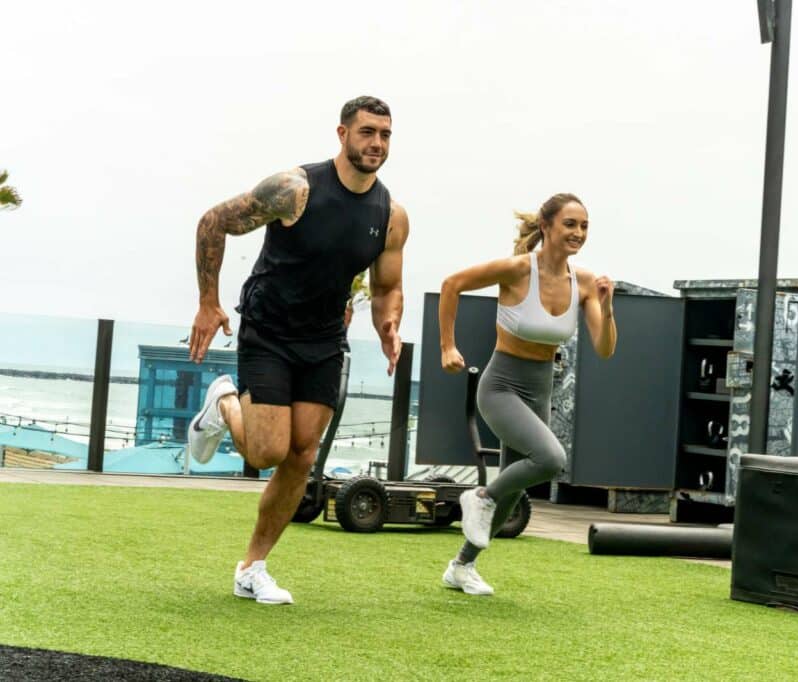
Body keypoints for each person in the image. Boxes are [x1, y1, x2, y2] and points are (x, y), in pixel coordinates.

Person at [185, 96, 408, 605]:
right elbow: (213, 222)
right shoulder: (294, 189)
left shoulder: (391, 215)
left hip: (324, 339)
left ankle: (253, 567)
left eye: (385, 135)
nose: (377, 143)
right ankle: (224, 402)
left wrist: (388, 324)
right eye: (367, 132)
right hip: (268, 329)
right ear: (342, 134)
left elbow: (387, 285)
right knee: (266, 451)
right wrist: (208, 302)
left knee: (302, 453)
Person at [437, 193, 617, 596]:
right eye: (570, 224)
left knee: (514, 490)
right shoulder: (518, 269)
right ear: (547, 226)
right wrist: (448, 346)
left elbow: (604, 349)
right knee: (551, 459)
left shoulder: (585, 283)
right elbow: (452, 285)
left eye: (584, 226)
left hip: (539, 390)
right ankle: (480, 496)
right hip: (501, 386)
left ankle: (461, 566)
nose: (578, 233)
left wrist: (607, 309)